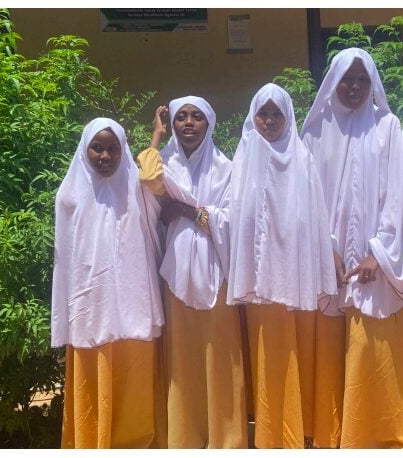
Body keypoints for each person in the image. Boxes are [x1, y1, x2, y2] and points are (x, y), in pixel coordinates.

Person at [301, 47, 403, 448]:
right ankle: (331, 430)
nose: (354, 87)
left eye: (362, 80)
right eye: (346, 79)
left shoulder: (388, 126)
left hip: (376, 263)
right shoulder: (316, 131)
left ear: (372, 83)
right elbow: (305, 198)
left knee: (375, 349)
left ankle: (381, 431)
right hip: (328, 261)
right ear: (332, 82)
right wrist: (327, 250)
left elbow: (398, 195)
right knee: (330, 342)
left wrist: (379, 252)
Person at [227, 83, 337, 449]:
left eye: (277, 114)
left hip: (297, 276)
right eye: (264, 113)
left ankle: (303, 430)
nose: (270, 121)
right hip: (260, 284)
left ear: (288, 117)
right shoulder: (244, 155)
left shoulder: (302, 157)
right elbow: (233, 216)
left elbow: (316, 218)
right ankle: (273, 434)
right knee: (268, 356)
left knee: (300, 351)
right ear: (253, 117)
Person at [137, 96, 248, 448]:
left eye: (196, 117)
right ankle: (184, 438)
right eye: (181, 117)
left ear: (209, 123)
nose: (188, 123)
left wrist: (185, 208)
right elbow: (147, 177)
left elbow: (232, 220)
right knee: (182, 364)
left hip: (217, 275)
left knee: (220, 360)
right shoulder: (167, 164)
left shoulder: (226, 168)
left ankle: (226, 439)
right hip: (176, 275)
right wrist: (156, 136)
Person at [51, 118, 165, 448]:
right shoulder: (69, 198)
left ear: (123, 150)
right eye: (97, 148)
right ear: (84, 150)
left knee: (133, 382)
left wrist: (156, 137)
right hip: (90, 310)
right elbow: (65, 264)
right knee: (93, 382)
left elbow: (151, 178)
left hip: (133, 311)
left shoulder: (137, 192)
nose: (105, 155)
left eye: (113, 148)